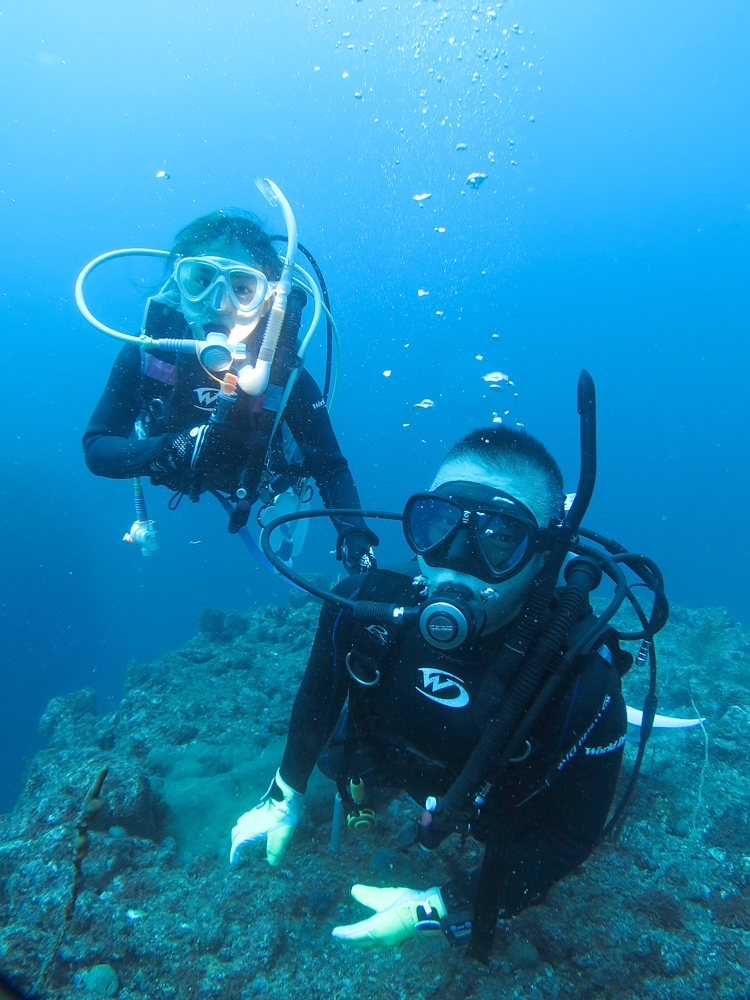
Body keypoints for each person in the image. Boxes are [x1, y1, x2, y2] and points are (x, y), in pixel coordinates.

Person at [229, 424, 639, 963]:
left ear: (545, 554)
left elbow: (568, 838)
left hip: (489, 806)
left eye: (498, 538)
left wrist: (441, 905)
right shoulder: (362, 608)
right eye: (438, 525)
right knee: (340, 760)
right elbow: (317, 700)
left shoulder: (583, 685)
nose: (455, 559)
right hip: (390, 761)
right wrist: (284, 796)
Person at [82, 206, 377, 574]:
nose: (219, 304)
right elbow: (97, 447)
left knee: (288, 480)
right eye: (201, 279)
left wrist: (356, 540)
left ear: (269, 298)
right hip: (174, 464)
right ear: (178, 284)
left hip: (262, 476)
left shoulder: (284, 375)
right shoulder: (145, 355)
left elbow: (330, 466)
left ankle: (289, 500)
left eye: (241, 288)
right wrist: (166, 449)